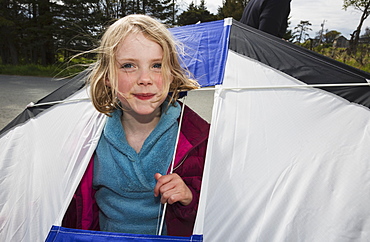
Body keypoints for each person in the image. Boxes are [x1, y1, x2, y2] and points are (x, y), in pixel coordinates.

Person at [62, 14, 209, 237]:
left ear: (171, 74)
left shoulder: (196, 137)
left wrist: (188, 197)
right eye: (129, 65)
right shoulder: (87, 138)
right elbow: (69, 205)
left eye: (157, 65)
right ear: (107, 76)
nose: (145, 78)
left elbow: (218, 209)